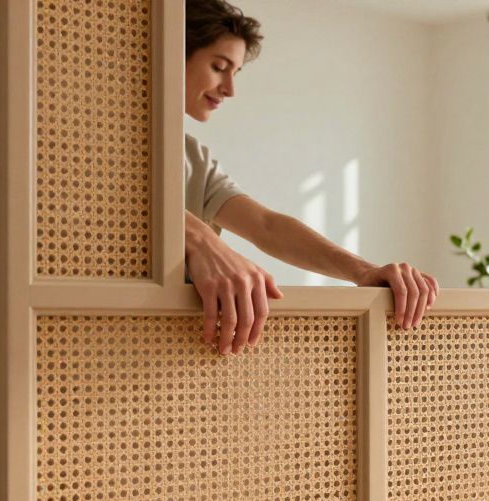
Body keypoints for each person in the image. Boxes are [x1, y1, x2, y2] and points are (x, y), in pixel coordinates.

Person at [185, 0, 438, 355]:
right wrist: (200, 239)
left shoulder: (193, 158)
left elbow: (267, 226)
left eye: (235, 73)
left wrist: (363, 272)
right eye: (218, 67)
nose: (230, 89)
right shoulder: (102, 147)